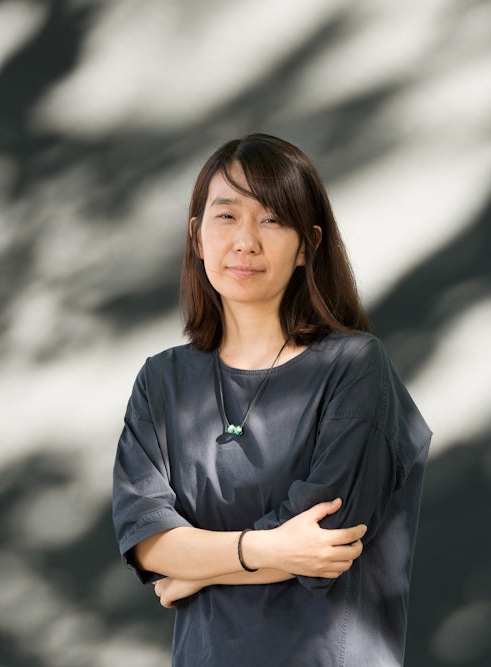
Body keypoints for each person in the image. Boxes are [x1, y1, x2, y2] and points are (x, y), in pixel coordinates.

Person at [112, 133, 432, 666]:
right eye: (226, 216)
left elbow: (324, 542)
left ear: (308, 245)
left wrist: (194, 569)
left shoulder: (355, 366)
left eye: (272, 219)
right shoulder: (161, 381)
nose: (246, 241)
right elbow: (147, 542)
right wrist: (261, 549)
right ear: (196, 236)